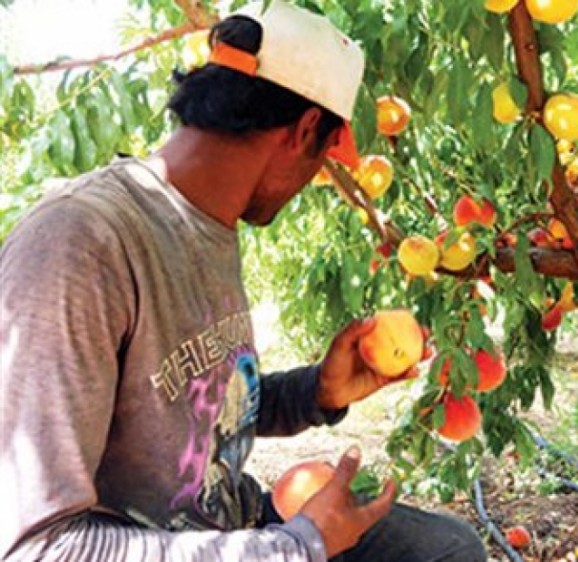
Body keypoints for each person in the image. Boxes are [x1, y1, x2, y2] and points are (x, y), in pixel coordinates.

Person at [0, 2, 487, 561]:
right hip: (163, 545)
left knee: (449, 551)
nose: (314, 181)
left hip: (234, 518)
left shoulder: (208, 220)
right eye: (326, 154)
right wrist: (294, 547)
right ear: (305, 131)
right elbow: (40, 547)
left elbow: (195, 414)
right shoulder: (80, 243)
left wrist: (314, 394)